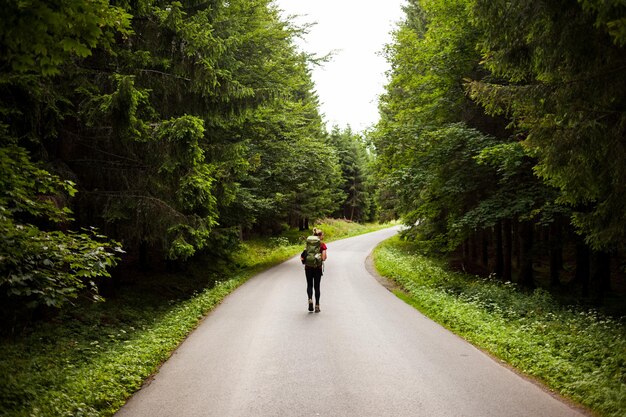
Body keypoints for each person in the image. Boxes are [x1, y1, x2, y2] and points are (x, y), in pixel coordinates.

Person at [300, 227, 327, 313]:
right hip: (317, 268)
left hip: (308, 267)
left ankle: (310, 299)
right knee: (317, 286)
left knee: (309, 285)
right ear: (319, 236)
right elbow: (324, 257)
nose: (323, 236)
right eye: (322, 235)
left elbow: (303, 255)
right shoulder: (322, 245)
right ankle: (317, 305)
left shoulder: (308, 244)